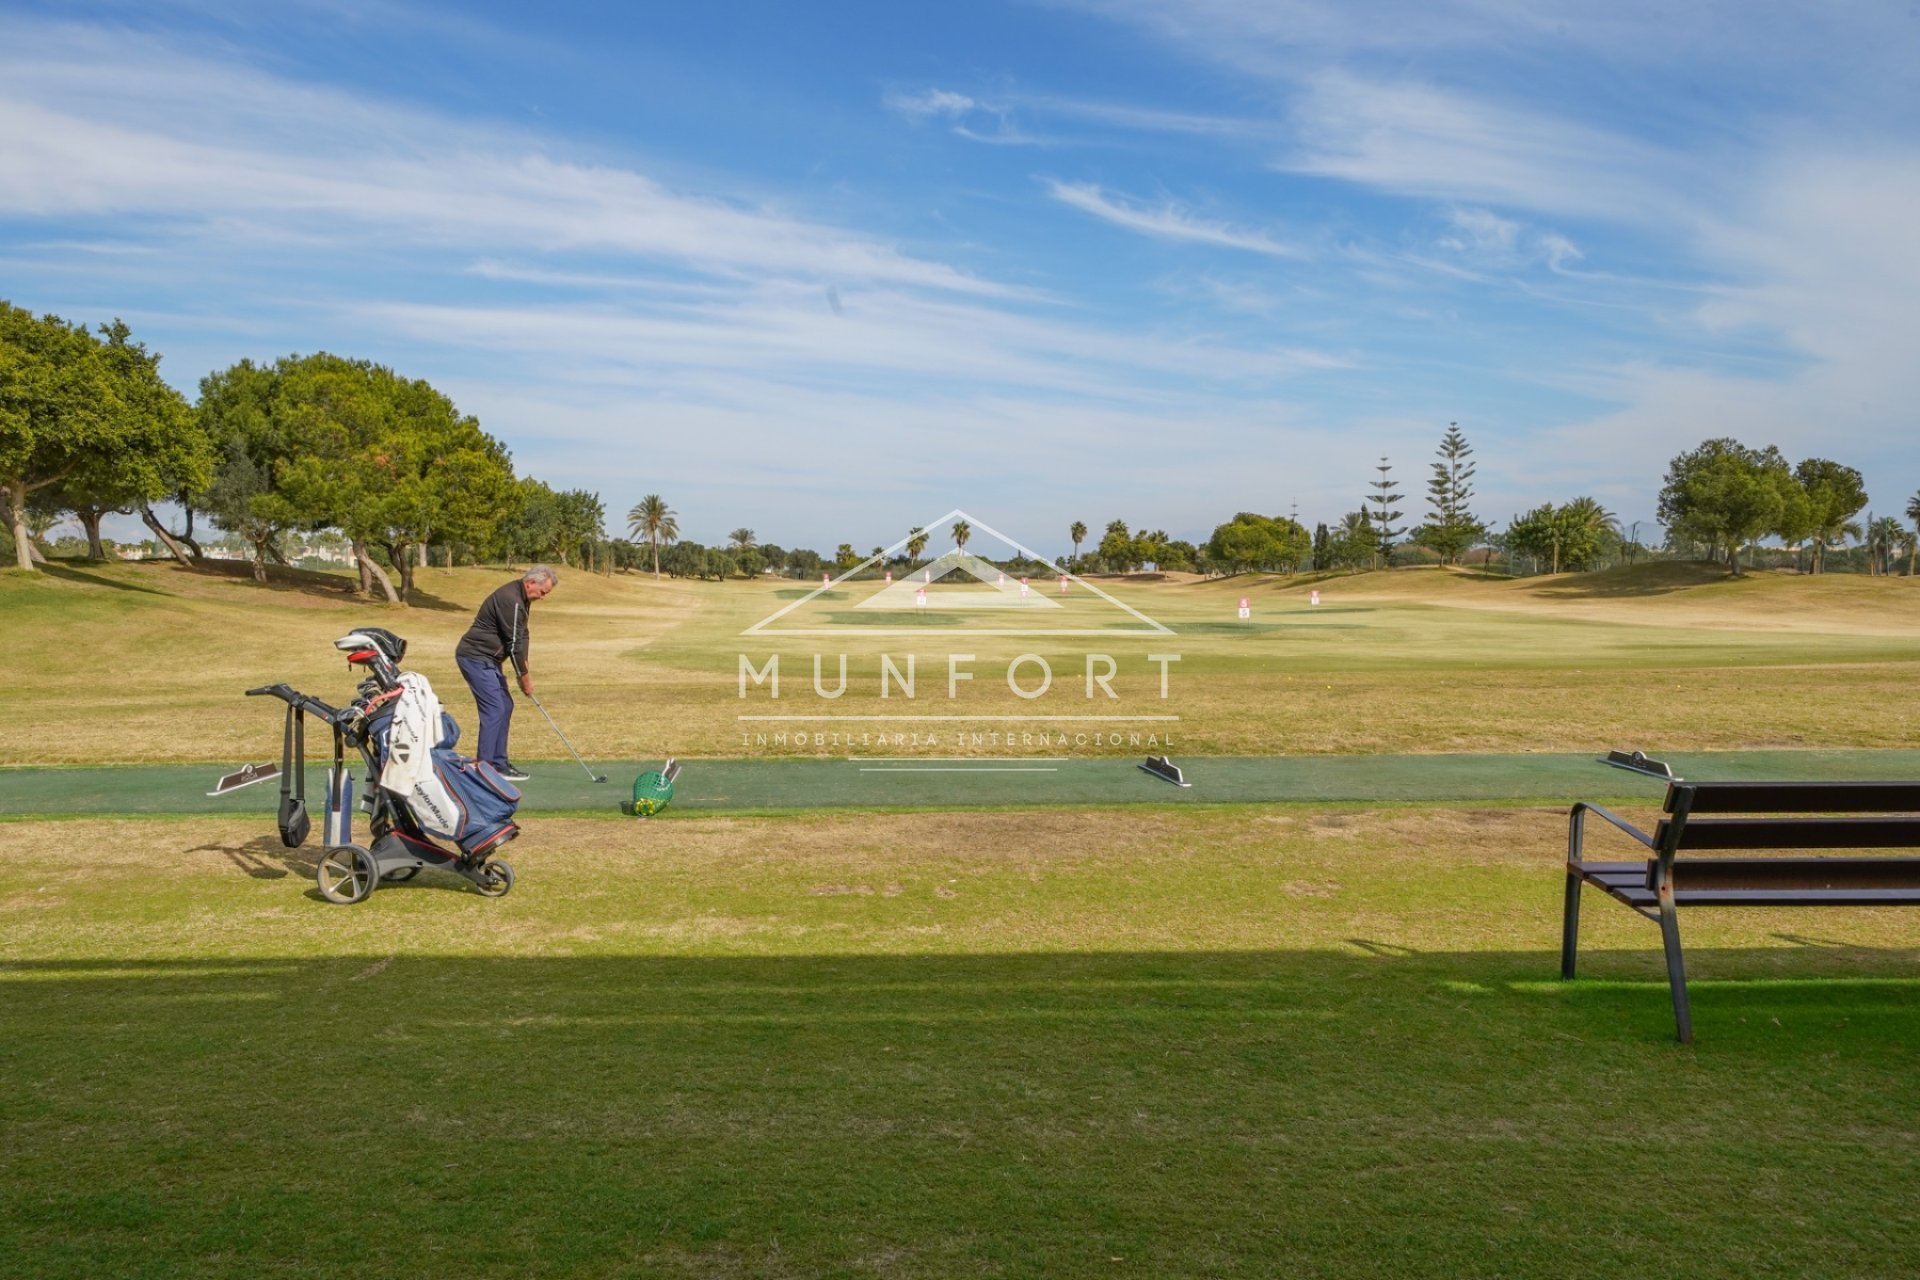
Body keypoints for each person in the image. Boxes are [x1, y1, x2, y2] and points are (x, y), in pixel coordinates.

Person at [455, 565, 556, 781]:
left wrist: (525, 666)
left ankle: (499, 763)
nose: (542, 597)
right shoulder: (511, 599)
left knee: (505, 705)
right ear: (531, 583)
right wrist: (524, 678)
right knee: (494, 708)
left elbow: (523, 635)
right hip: (475, 658)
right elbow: (513, 645)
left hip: (488, 660)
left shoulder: (523, 599)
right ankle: (485, 768)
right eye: (542, 592)